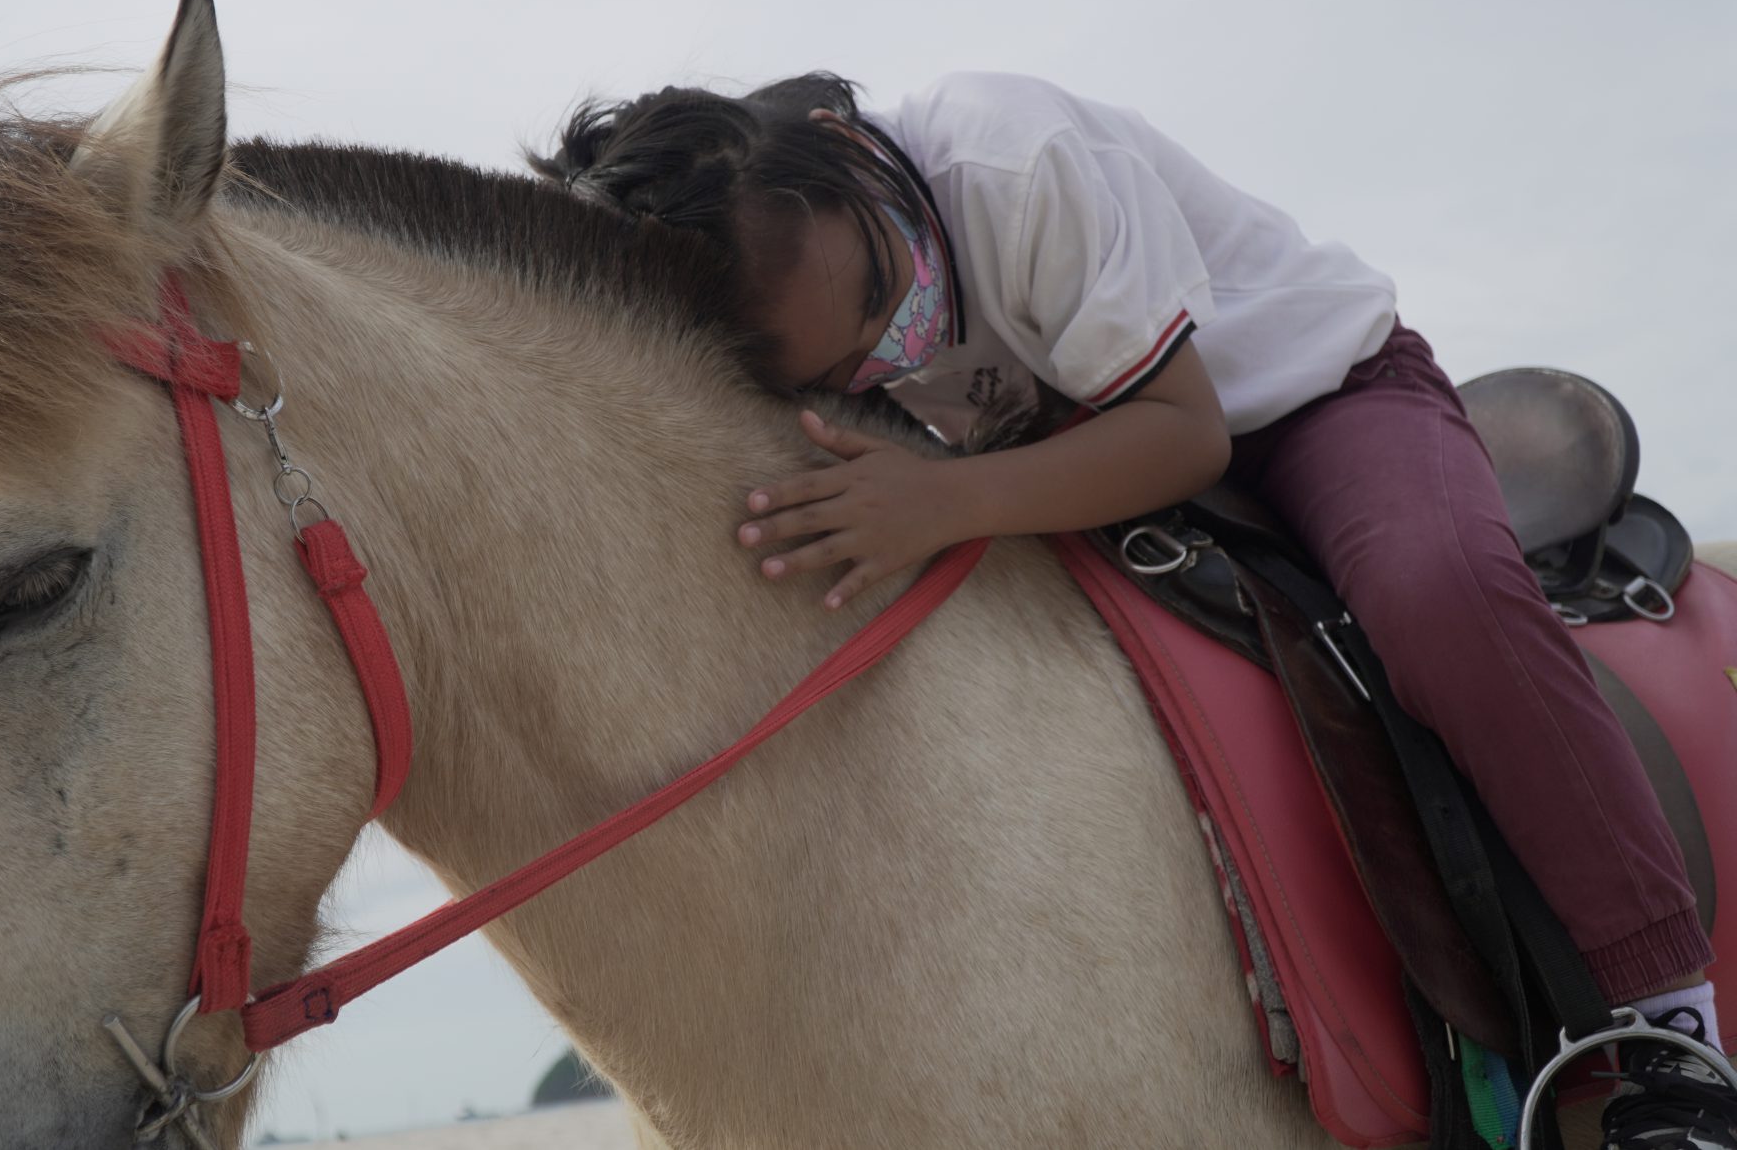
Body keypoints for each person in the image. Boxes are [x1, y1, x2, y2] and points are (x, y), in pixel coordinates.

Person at [529, 70, 1730, 1147]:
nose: (891, 355)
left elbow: (1179, 433)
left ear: (843, 146)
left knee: (1435, 594)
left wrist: (941, 500)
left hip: (1294, 408)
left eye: (887, 298)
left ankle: (1669, 1023)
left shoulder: (1012, 159)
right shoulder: (800, 312)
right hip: (1057, 455)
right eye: (844, 372)